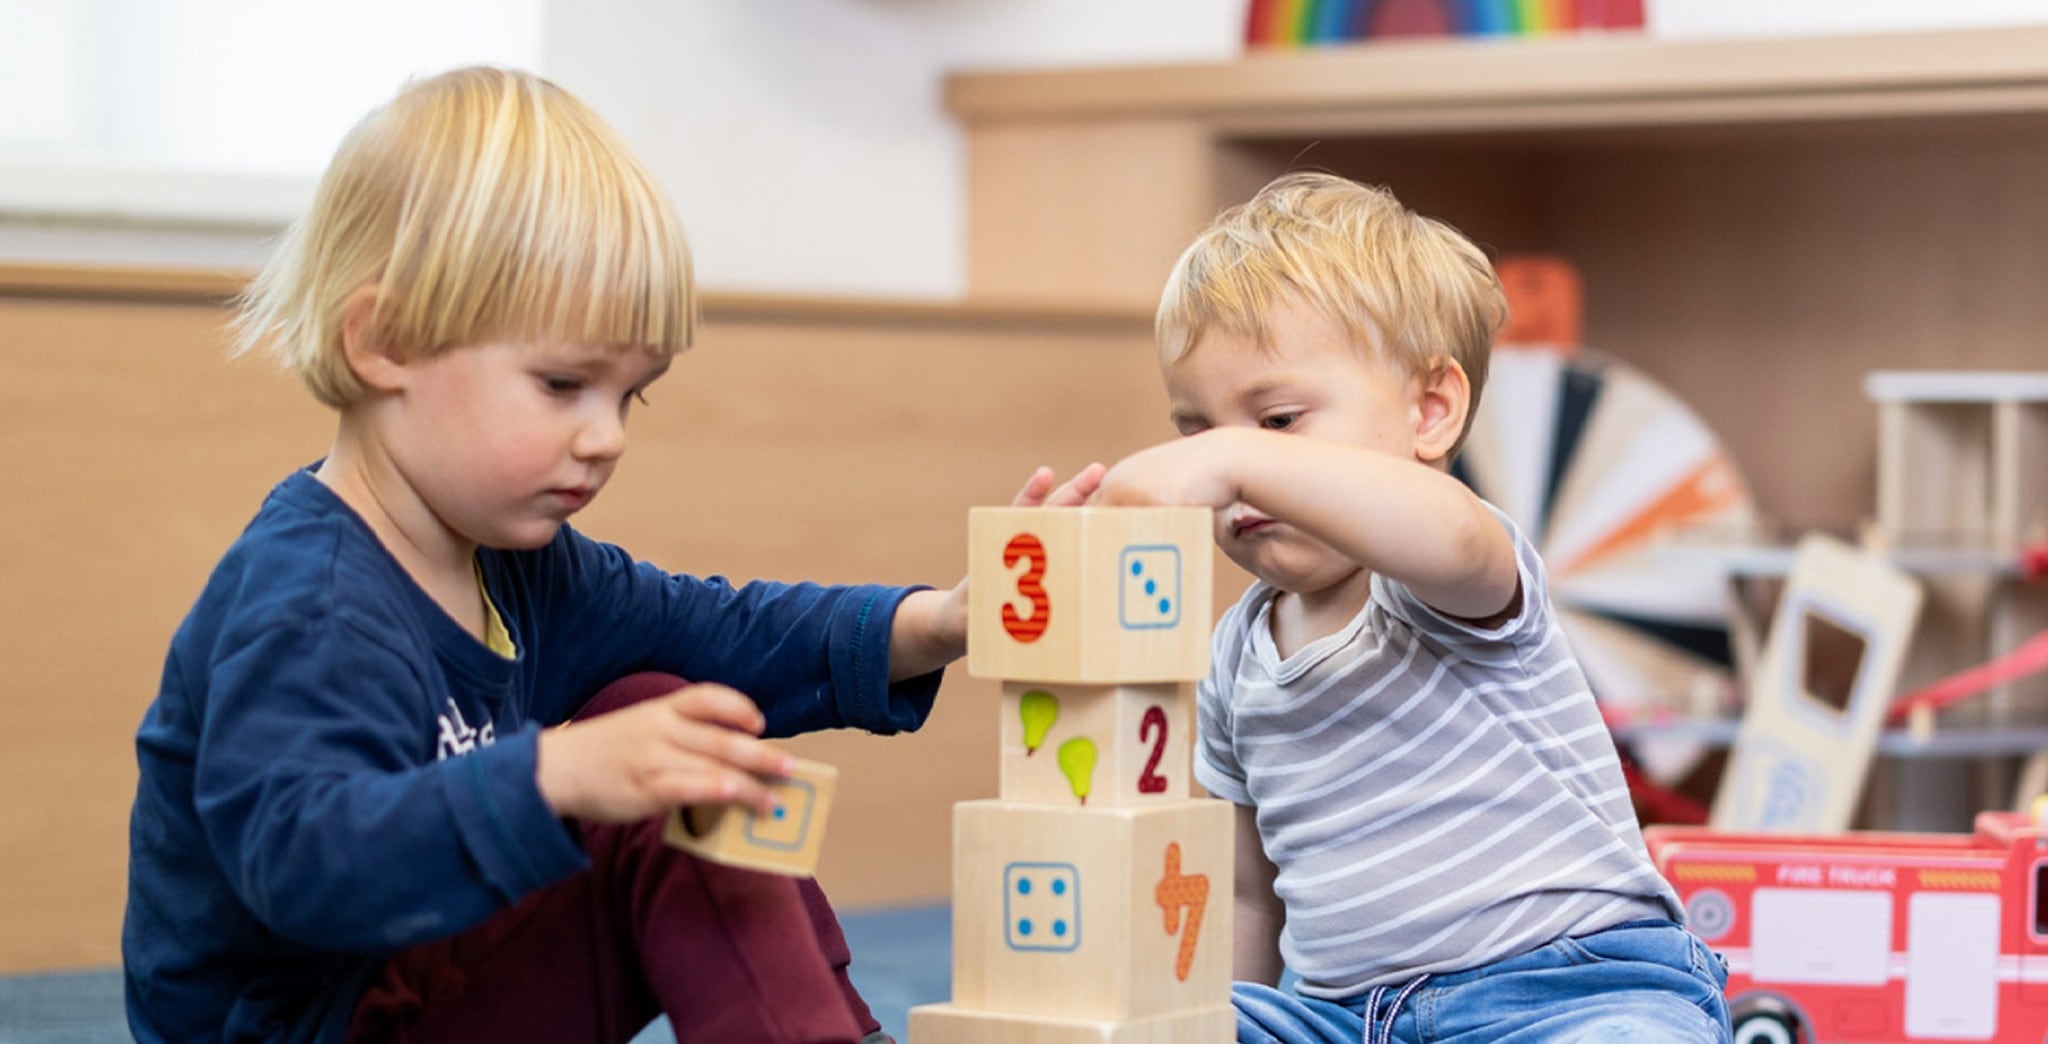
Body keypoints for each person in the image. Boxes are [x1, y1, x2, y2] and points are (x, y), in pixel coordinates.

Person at [122, 65, 1099, 1044]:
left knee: (669, 731)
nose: (606, 437)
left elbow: (721, 630)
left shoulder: (519, 566)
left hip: (431, 991)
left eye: (630, 395)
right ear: (386, 344)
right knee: (645, 757)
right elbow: (304, 865)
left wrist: (936, 621)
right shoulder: (311, 599)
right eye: (562, 384)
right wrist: (554, 778)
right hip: (309, 1027)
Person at [1087, 172, 1732, 1043]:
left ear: (1431, 412)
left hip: (1565, 990)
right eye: (1197, 431)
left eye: (1276, 420)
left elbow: (1445, 536)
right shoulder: (1235, 655)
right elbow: (1243, 889)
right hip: (1342, 1021)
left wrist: (1238, 457)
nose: (1230, 468)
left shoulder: (1444, 570)